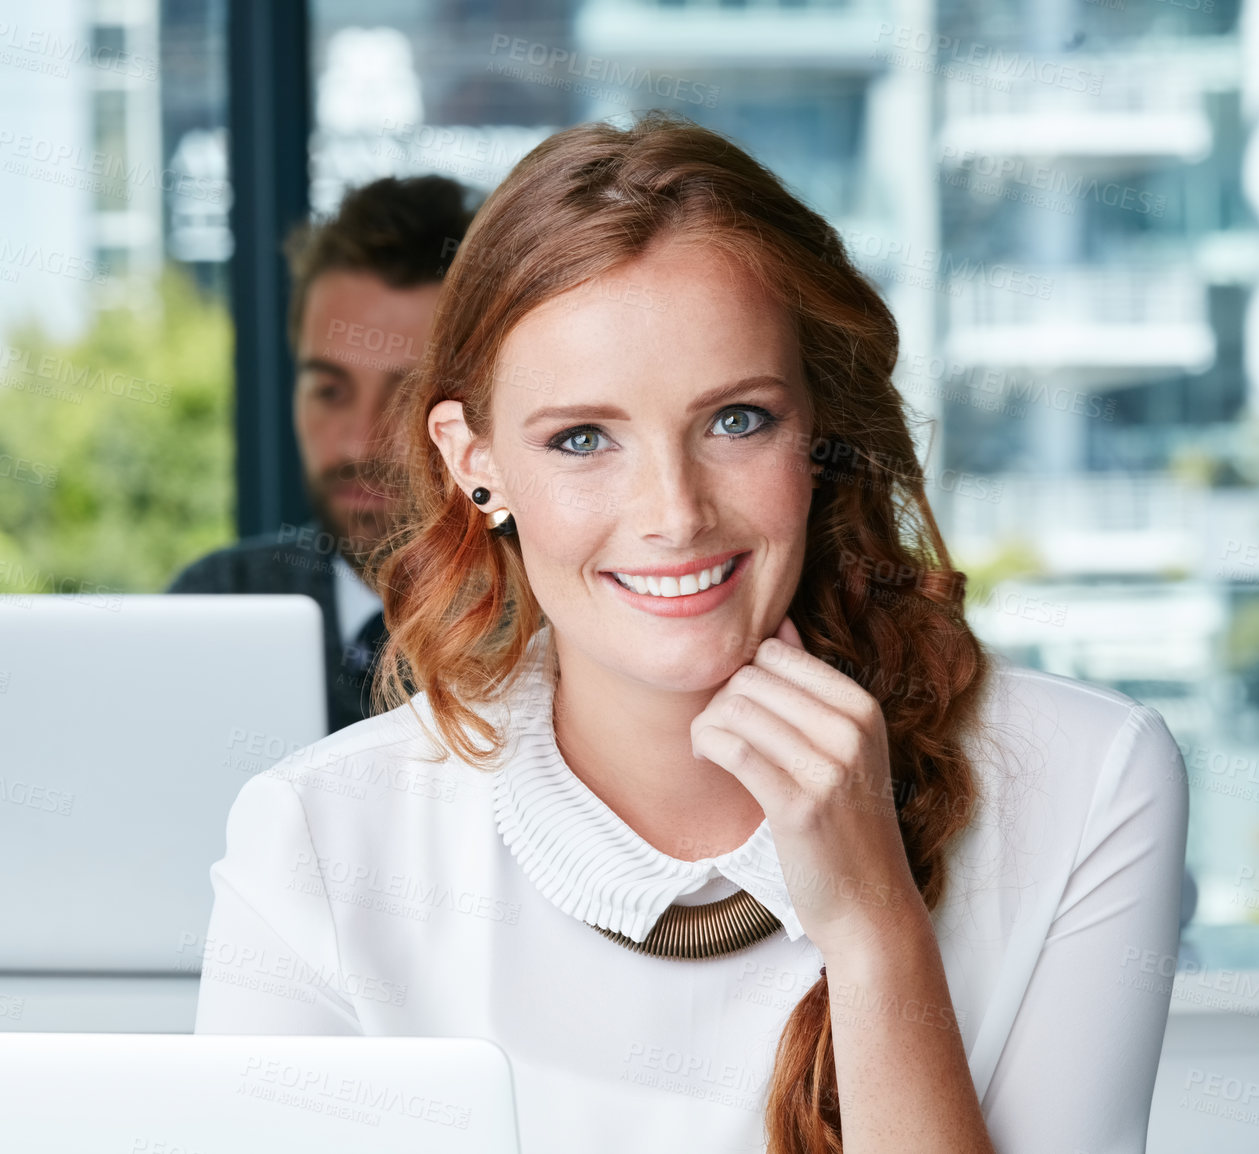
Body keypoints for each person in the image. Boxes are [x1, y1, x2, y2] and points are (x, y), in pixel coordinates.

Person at [192, 114, 1188, 1153]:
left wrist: (874, 924)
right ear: (472, 460)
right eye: (582, 437)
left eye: (737, 419)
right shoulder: (318, 839)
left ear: (817, 432)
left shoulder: (1087, 780)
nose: (674, 512)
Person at [168, 176, 475, 732]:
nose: (359, 442)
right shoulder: (216, 604)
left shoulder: (560, 629)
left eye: (406, 397)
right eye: (329, 391)